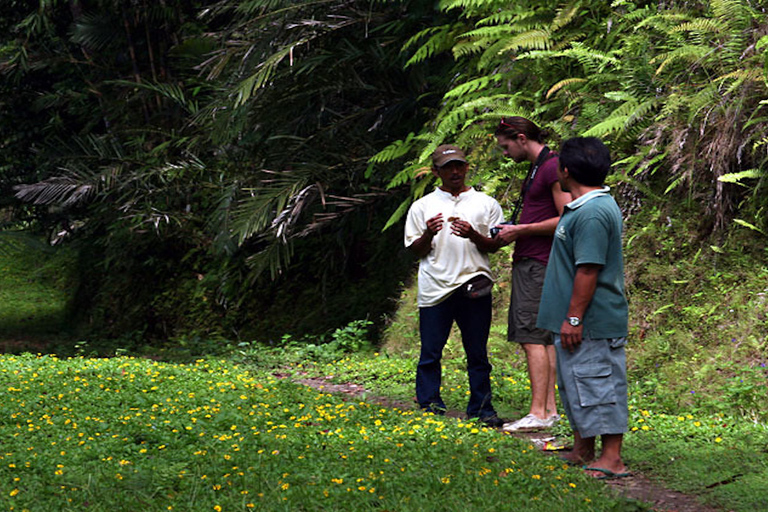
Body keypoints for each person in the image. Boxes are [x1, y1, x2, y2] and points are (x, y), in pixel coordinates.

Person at [537, 136, 630, 479]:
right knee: (578, 383)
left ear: (566, 170)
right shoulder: (583, 207)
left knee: (599, 384)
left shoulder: (592, 212)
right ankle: (583, 449)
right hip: (577, 321)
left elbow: (588, 268)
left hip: (591, 321)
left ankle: (612, 458)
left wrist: (574, 317)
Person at [404, 144, 504, 427]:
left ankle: (483, 409)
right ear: (436, 172)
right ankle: (430, 405)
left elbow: (495, 245)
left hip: (474, 284)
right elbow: (416, 250)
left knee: (478, 352)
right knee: (431, 352)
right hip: (435, 288)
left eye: (459, 165)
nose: (455, 172)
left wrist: (473, 234)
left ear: (467, 167)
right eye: (448, 167)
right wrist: (428, 233)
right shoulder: (422, 206)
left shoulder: (486, 203)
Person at [493, 117, 571, 432]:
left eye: (506, 146)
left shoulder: (551, 167)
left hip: (539, 262)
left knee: (530, 336)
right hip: (534, 260)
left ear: (522, 138)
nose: (505, 153)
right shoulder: (539, 167)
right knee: (544, 337)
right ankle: (548, 409)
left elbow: (567, 216)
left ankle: (539, 412)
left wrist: (520, 230)